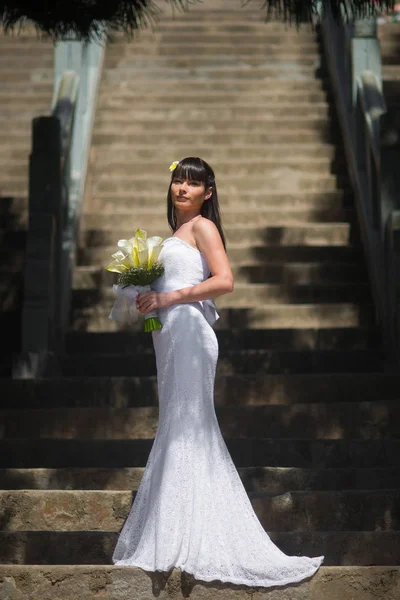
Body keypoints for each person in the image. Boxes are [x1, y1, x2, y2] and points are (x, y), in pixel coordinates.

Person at [111, 157, 324, 587]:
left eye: (193, 183)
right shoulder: (175, 234)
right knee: (177, 425)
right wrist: (147, 295)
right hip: (170, 336)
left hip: (189, 331)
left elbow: (225, 281)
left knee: (189, 426)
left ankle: (190, 536)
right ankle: (175, 529)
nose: (182, 188)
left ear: (207, 192)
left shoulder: (203, 227)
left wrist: (169, 300)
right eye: (178, 180)